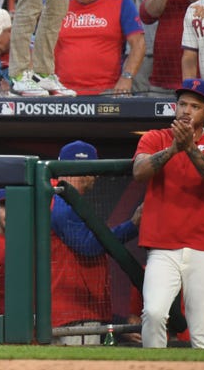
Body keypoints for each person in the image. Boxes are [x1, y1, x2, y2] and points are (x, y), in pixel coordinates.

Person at [133, 78, 204, 348]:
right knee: (154, 313)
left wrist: (189, 148)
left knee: (201, 330)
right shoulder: (155, 137)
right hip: (162, 246)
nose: (186, 111)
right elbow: (139, 172)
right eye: (182, 104)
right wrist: (173, 149)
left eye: (194, 105)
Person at [51, 140, 141, 346]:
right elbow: (88, 246)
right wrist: (133, 225)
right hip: (73, 313)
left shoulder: (58, 197)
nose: (97, 176)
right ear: (82, 169)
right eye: (94, 169)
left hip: (70, 310)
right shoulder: (61, 202)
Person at [54, 0, 145, 95]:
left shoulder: (120, 2)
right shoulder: (58, 6)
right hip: (63, 92)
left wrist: (127, 77)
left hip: (106, 91)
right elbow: (41, 46)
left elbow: (139, 43)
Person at [126, 269, 204, 344]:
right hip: (159, 342)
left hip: (196, 341)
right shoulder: (147, 271)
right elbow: (134, 316)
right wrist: (133, 328)